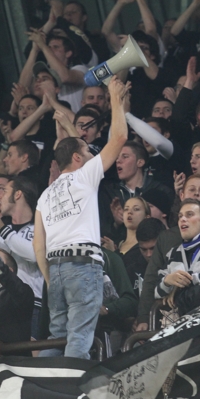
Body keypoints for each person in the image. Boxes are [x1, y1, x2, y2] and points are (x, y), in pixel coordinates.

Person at [33, 76, 129, 359]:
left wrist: (52, 281)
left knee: (56, 338)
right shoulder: (85, 175)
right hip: (82, 266)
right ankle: (71, 394)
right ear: (76, 158)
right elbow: (120, 138)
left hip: (56, 269)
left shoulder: (45, 195)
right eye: (87, 151)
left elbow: (39, 245)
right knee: (79, 339)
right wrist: (114, 98)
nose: (91, 155)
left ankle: (45, 390)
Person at [135, 174, 200, 331]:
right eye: (180, 216)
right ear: (181, 195)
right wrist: (167, 282)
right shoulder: (172, 250)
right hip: (178, 324)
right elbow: (154, 283)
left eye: (189, 215)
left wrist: (179, 287)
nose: (183, 219)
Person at [0, 175, 44, 339]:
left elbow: (35, 255)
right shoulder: (4, 234)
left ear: (18, 195)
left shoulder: (39, 228)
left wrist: (2, 231)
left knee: (28, 359)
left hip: (32, 306)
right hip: (1, 305)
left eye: (4, 191)